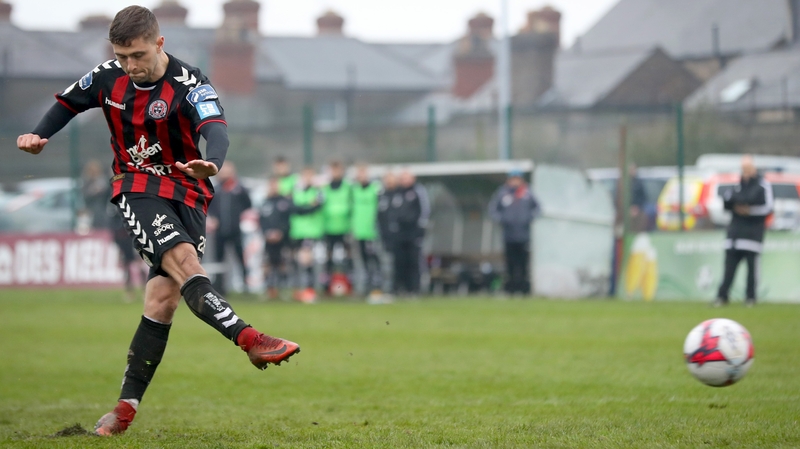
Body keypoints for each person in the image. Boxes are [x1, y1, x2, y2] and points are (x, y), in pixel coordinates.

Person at [16, 6, 299, 436]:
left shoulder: (190, 83)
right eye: (122, 56)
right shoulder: (107, 76)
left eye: (138, 55)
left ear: (160, 43)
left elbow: (216, 127)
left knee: (163, 301)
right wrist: (40, 134)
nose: (130, 66)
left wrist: (213, 162)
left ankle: (123, 412)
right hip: (136, 186)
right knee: (185, 262)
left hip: (188, 191)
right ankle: (251, 339)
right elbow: (66, 104)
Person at [714, 155, 773, 307]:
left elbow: (768, 208)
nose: (745, 172)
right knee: (729, 269)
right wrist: (737, 206)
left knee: (752, 270)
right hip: (734, 235)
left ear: (754, 169)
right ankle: (722, 296)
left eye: (748, 168)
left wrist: (749, 211)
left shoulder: (762, 185)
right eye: (743, 169)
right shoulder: (737, 185)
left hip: (752, 236)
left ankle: (750, 298)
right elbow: (728, 201)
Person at [258, 177, 321, 300]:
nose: (273, 187)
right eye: (271, 185)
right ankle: (270, 290)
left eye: (275, 185)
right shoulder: (265, 202)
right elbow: (261, 220)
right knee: (268, 264)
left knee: (286, 263)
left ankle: (287, 289)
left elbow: (297, 213)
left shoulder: (286, 201)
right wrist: (267, 233)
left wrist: (316, 205)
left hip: (284, 239)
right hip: (269, 240)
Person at [488, 169, 540, 295]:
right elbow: (493, 210)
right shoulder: (502, 193)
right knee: (510, 264)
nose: (515, 181)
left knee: (523, 264)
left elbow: (538, 208)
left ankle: (523, 289)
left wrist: (528, 218)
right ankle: (510, 289)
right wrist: (502, 219)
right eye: (513, 178)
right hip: (508, 235)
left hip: (523, 236)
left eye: (517, 178)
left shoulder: (527, 192)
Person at [207, 161, 252, 294]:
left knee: (239, 257)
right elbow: (210, 206)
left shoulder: (239, 189)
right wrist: (213, 218)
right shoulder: (216, 189)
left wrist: (238, 216)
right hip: (219, 231)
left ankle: (246, 285)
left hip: (235, 230)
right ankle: (219, 286)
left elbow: (248, 205)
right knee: (218, 259)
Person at [290, 167, 325, 303]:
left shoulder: (319, 191)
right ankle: (299, 290)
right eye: (305, 176)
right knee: (297, 263)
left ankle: (310, 291)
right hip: (297, 231)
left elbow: (316, 207)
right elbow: (294, 208)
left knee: (309, 262)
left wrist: (304, 207)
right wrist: (308, 205)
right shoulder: (296, 191)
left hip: (312, 231)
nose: (308, 178)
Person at [392, 169, 430, 296]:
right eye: (403, 178)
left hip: (414, 232)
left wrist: (420, 227)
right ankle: (400, 289)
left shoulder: (418, 190)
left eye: (407, 177)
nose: (405, 180)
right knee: (400, 262)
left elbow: (425, 210)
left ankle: (414, 289)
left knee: (414, 261)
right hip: (399, 234)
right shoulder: (396, 193)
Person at [351, 164, 384, 302]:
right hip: (359, 232)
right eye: (360, 173)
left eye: (364, 173)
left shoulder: (376, 188)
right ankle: (366, 287)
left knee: (374, 259)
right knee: (363, 260)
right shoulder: (353, 190)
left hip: (372, 232)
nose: (362, 176)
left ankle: (377, 287)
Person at [321, 160, 353, 295]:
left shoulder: (348, 188)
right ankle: (326, 287)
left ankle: (350, 285)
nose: (335, 173)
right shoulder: (325, 188)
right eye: (333, 170)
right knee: (328, 259)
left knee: (348, 258)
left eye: (337, 169)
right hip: (329, 228)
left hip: (344, 228)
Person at [377, 170, 399, 295]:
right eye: (387, 178)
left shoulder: (400, 194)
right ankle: (387, 289)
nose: (389, 181)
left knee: (399, 263)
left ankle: (398, 288)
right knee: (385, 264)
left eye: (391, 178)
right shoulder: (381, 196)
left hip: (400, 236)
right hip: (384, 236)